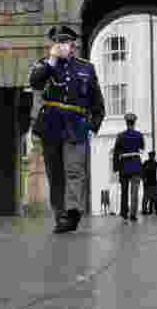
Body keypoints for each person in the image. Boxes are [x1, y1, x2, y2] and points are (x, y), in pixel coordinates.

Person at [28, 25, 106, 234]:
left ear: (74, 45)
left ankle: (73, 212)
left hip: (76, 125)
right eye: (58, 42)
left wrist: (91, 125)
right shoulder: (44, 65)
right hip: (51, 124)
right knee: (55, 174)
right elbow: (35, 83)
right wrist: (52, 60)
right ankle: (60, 214)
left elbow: (97, 101)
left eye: (66, 42)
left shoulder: (86, 68)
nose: (63, 46)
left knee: (75, 170)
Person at [112, 113, 144, 222]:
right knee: (134, 192)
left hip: (124, 166)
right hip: (135, 165)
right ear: (134, 123)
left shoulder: (120, 136)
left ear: (126, 123)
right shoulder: (139, 135)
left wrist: (115, 167)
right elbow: (141, 148)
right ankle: (133, 214)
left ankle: (124, 213)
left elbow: (116, 152)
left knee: (124, 191)